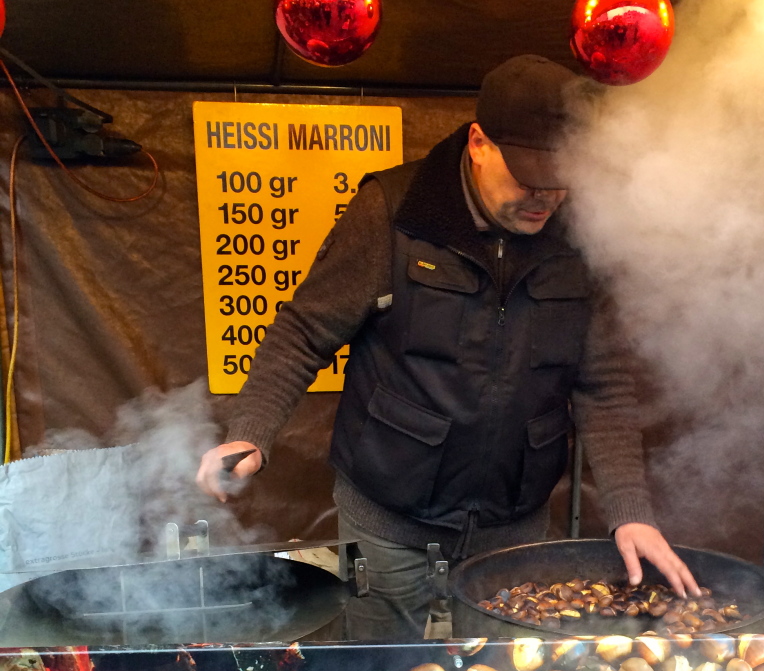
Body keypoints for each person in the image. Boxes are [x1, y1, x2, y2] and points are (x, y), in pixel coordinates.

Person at [197, 54, 699, 641]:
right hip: (388, 514)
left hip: (514, 523)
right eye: (527, 178)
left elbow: (603, 382)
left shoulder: (583, 236)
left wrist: (629, 510)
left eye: (560, 179)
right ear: (479, 143)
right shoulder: (392, 212)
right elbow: (303, 331)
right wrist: (250, 432)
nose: (545, 198)